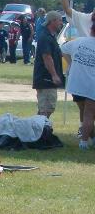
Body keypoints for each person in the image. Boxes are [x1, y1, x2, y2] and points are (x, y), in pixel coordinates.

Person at [60, 10, 95, 149]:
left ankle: (90, 138)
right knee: (89, 114)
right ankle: (84, 143)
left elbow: (62, 49)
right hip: (91, 84)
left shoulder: (79, 41)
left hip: (76, 84)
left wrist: (71, 63)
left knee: (84, 112)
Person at [31, 11, 65, 119]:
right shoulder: (45, 37)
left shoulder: (51, 37)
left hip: (48, 80)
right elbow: (47, 57)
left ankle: (41, 127)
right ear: (52, 21)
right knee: (45, 109)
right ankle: (39, 128)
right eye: (60, 20)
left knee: (48, 108)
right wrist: (54, 75)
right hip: (46, 79)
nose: (61, 23)